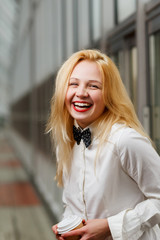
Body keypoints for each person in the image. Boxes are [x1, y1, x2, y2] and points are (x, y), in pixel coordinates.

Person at [46, 49, 160, 240]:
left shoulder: (125, 141)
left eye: (93, 86)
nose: (81, 93)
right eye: (73, 84)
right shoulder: (66, 144)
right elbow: (71, 205)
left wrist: (110, 226)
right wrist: (69, 228)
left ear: (109, 95)